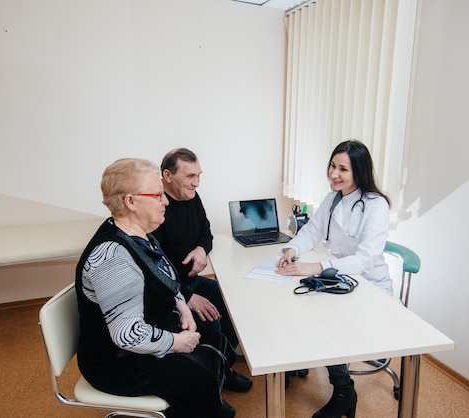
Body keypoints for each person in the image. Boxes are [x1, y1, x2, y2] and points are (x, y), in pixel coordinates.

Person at [75, 158, 239, 418]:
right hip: (116, 361)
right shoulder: (113, 258)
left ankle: (207, 403)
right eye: (158, 195)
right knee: (198, 378)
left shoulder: (140, 235)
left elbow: (164, 276)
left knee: (216, 340)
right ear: (130, 202)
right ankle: (205, 405)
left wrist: (183, 306)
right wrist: (177, 342)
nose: (165, 202)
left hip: (147, 331)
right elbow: (127, 334)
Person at [275, 139, 392, 418]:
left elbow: (365, 260)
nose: (334, 174)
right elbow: (312, 231)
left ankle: (343, 392)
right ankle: (296, 364)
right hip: (341, 280)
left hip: (370, 286)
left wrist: (318, 266)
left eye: (343, 169)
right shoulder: (332, 198)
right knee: (300, 304)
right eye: (332, 166)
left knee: (327, 323)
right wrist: (293, 249)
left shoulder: (376, 205)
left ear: (359, 172)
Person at [152, 148, 251, 392]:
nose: (197, 182)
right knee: (211, 317)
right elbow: (153, 270)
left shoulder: (192, 197)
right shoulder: (156, 211)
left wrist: (200, 249)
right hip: (170, 292)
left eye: (199, 175)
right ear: (167, 175)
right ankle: (211, 384)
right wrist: (186, 296)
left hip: (192, 282)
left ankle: (223, 367)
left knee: (233, 301)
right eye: (190, 176)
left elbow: (206, 231)